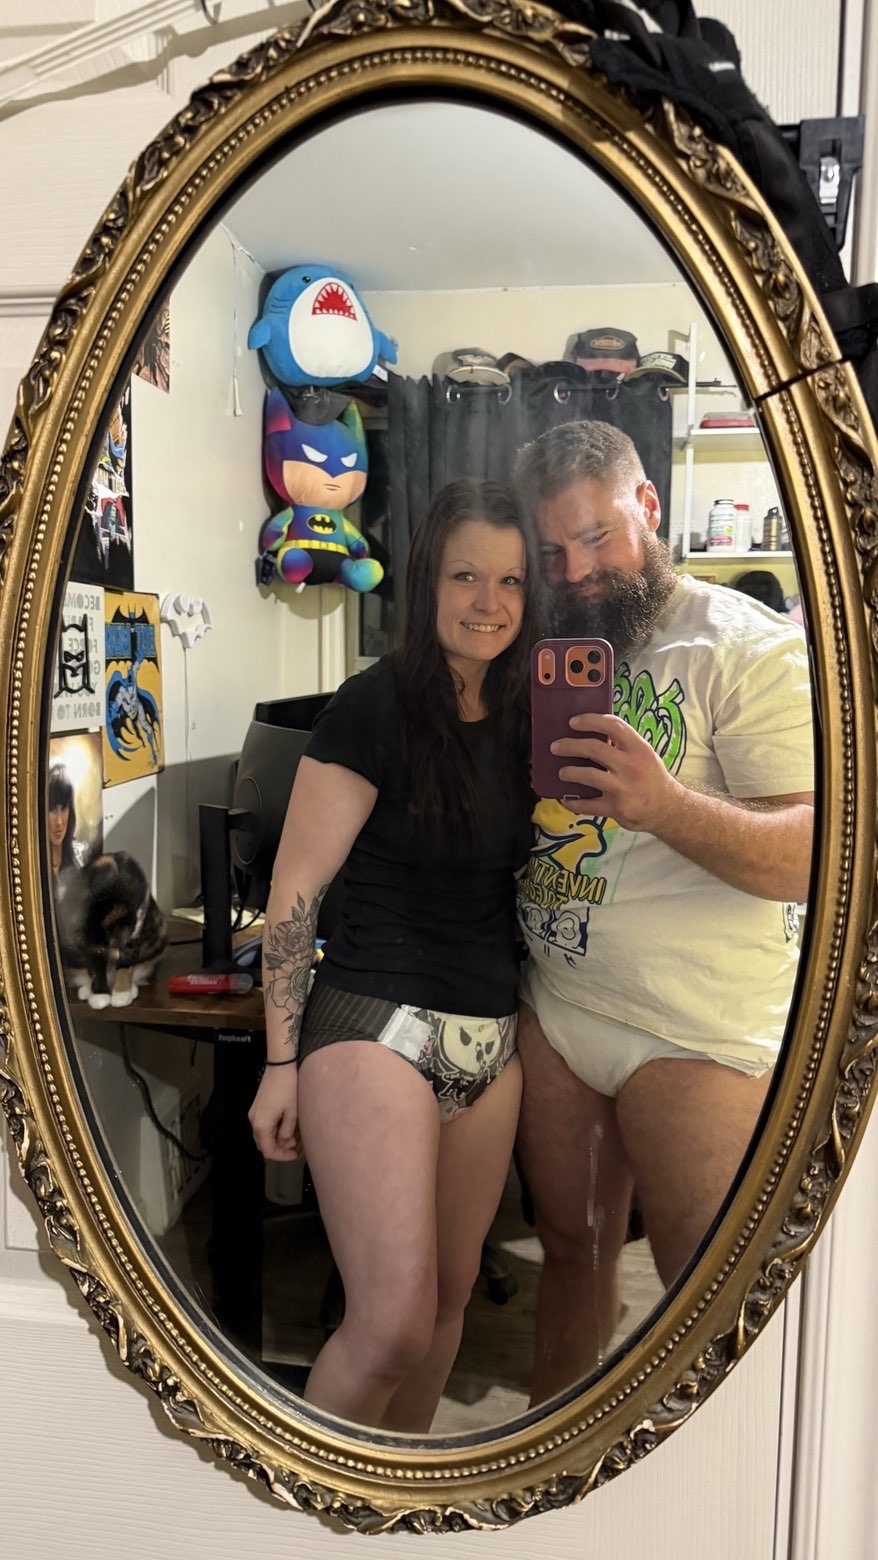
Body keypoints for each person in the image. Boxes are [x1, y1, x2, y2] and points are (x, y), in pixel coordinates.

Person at [512, 420, 814, 1404]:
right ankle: (555, 1462)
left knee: (705, 1291)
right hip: (558, 1003)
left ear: (646, 506)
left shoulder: (745, 645)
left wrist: (665, 806)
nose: (576, 569)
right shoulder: (551, 646)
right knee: (570, 1253)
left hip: (695, 1029)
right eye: (553, 550)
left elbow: (810, 855)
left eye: (595, 536)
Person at [247, 478, 540, 1432]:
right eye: (465, 576)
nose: (488, 602)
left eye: (510, 580)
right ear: (426, 582)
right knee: (390, 1325)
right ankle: (299, 1500)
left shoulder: (531, 712)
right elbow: (294, 895)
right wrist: (279, 1064)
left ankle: (398, 1500)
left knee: (447, 1310)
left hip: (490, 1042)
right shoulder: (372, 705)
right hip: (376, 1022)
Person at [48, 764, 88, 888]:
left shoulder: (81, 857)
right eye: (52, 810)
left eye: (64, 808)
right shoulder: (32, 866)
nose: (59, 821)